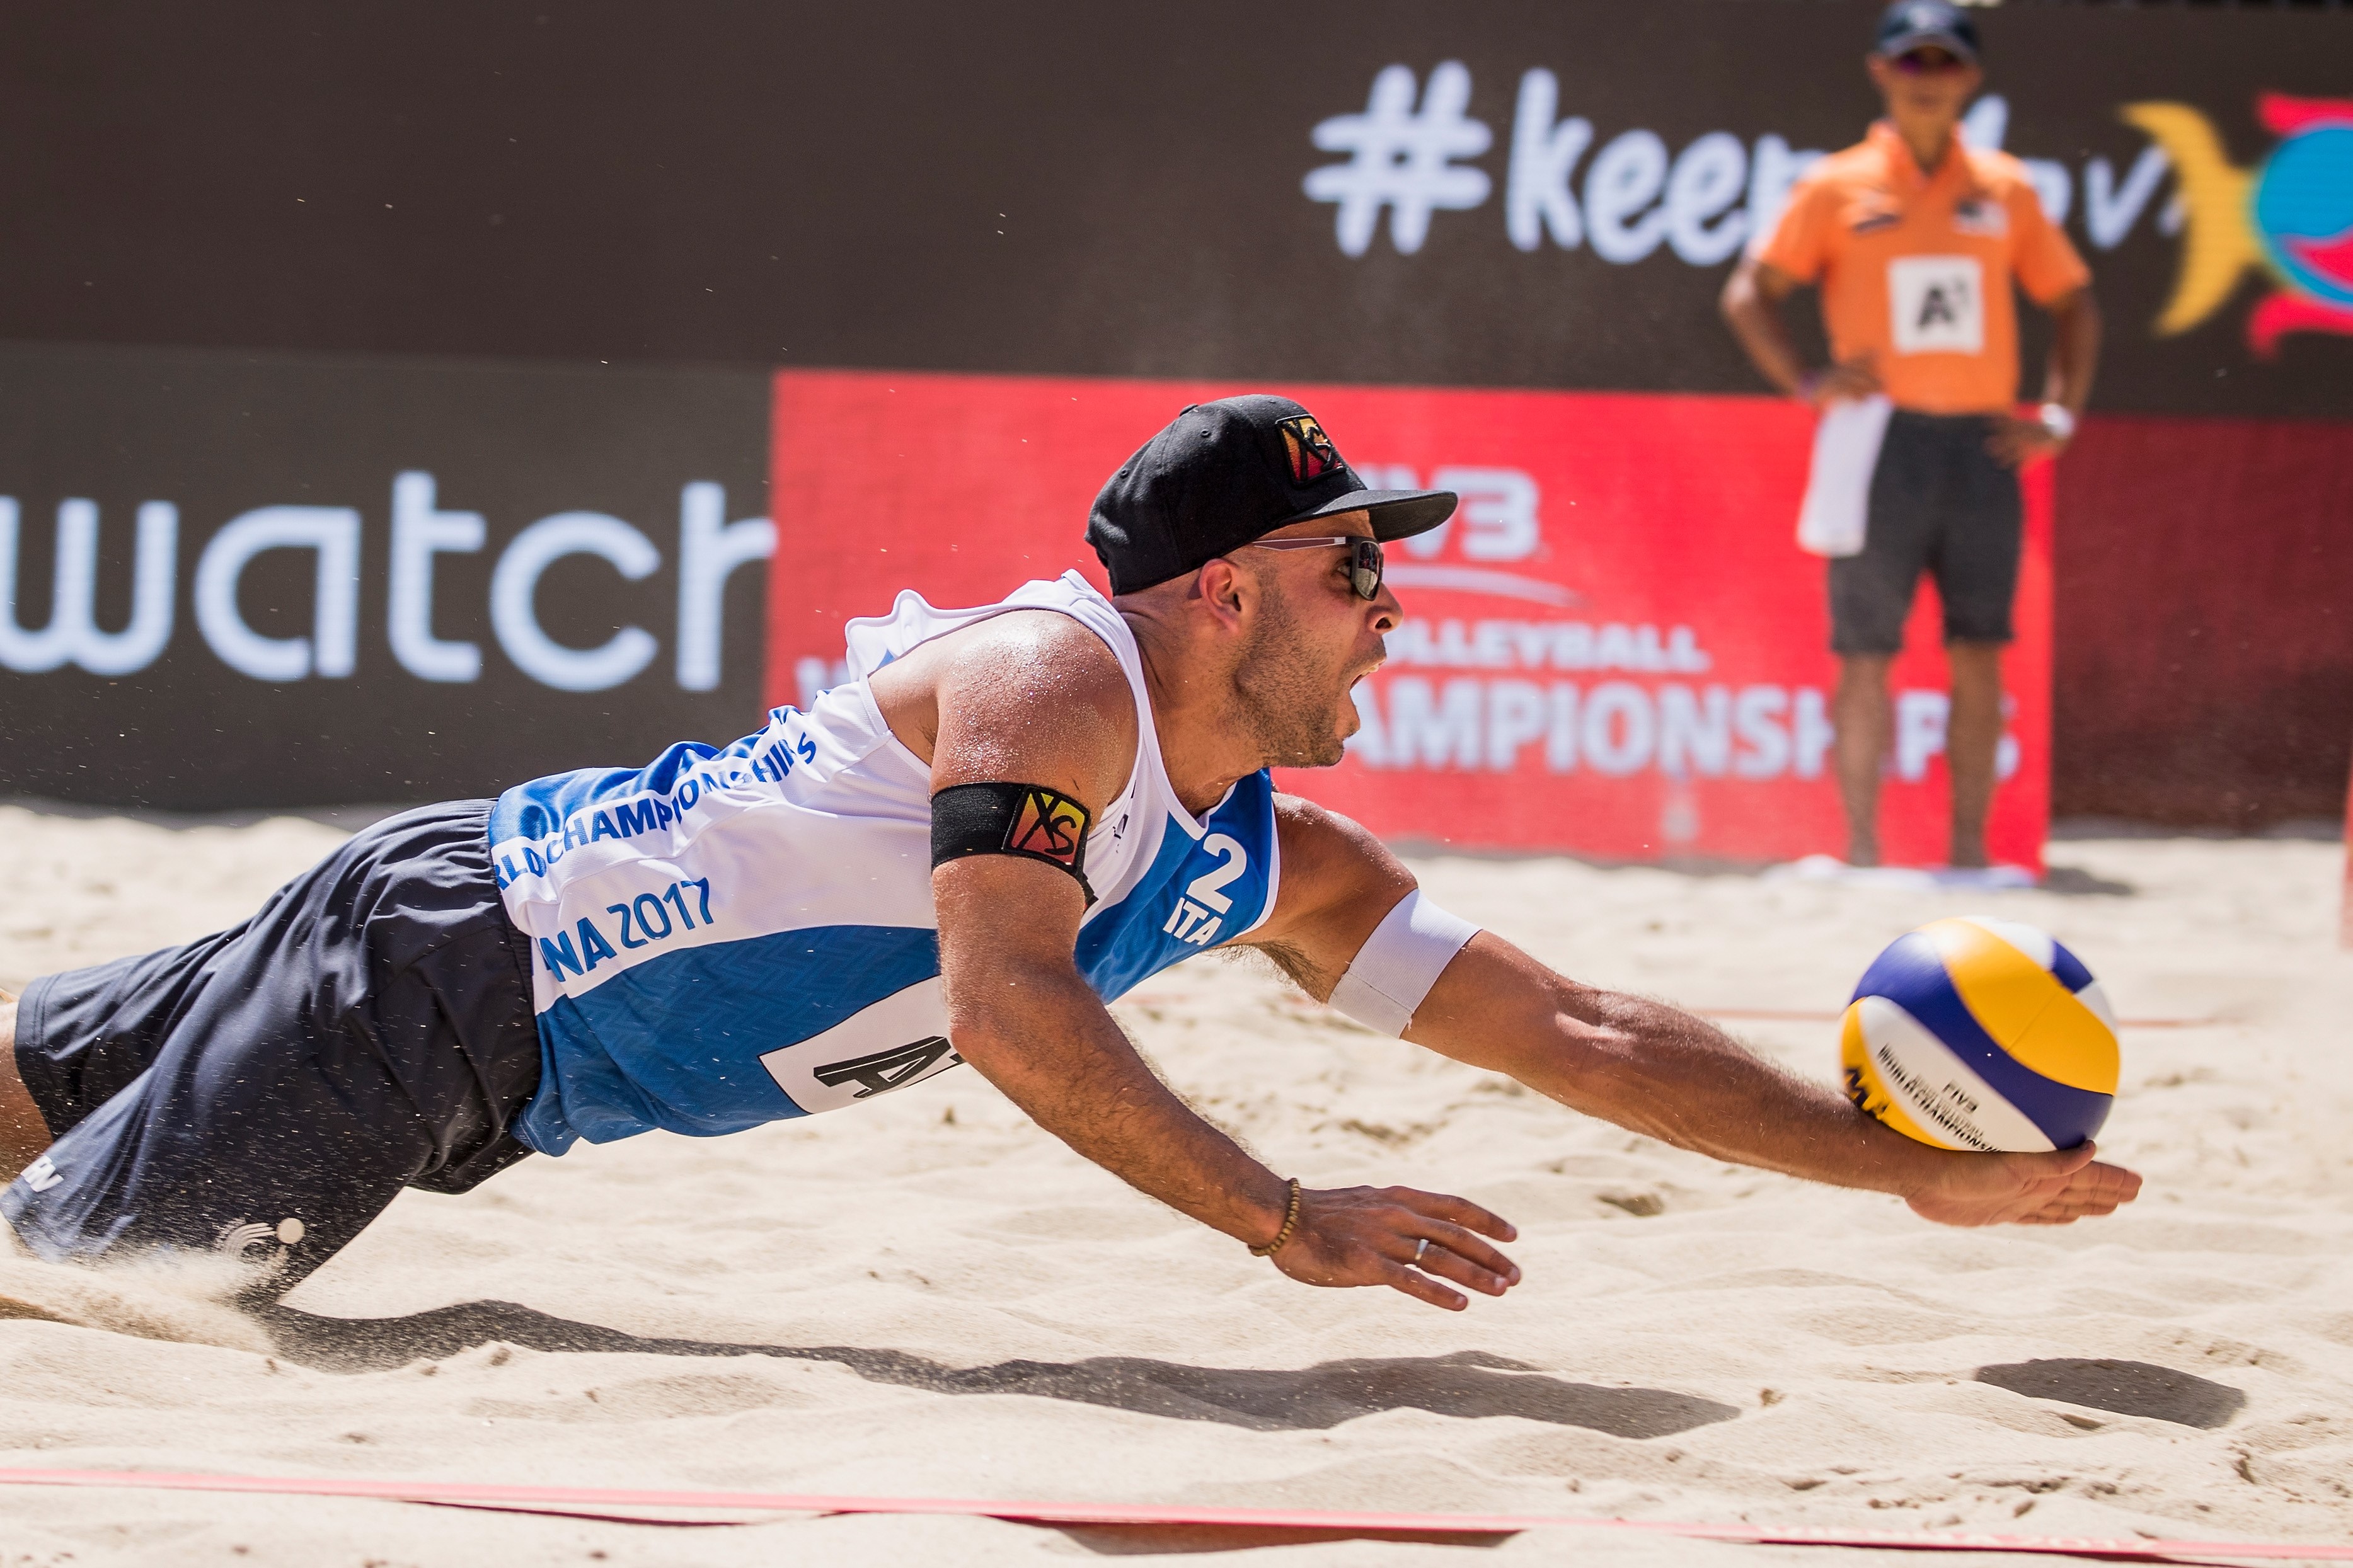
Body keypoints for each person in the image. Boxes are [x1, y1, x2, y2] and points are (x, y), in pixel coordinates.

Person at [0, 395, 2141, 1309]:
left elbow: (1566, 1023)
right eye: (1344, 567)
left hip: (482, 1008)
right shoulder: (1055, 677)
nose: (1386, 604)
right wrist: (1278, 1214)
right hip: (445, 977)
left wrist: (1910, 1173)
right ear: (1217, 591)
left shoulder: (1265, 860)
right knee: (93, 1294)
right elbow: (1011, 1010)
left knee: (37, 1095)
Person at [1720, 0, 2101, 870]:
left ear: (1968, 76)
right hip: (1876, 440)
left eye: (1943, 62)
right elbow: (1749, 290)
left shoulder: (2005, 187)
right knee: (1864, 653)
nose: (1927, 79)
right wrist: (1809, 382)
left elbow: (2074, 300)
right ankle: (1859, 853)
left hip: (1981, 442)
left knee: (1979, 650)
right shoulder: (1835, 184)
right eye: (1912, 62)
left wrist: (2058, 412)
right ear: (1881, 71)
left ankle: (1968, 853)